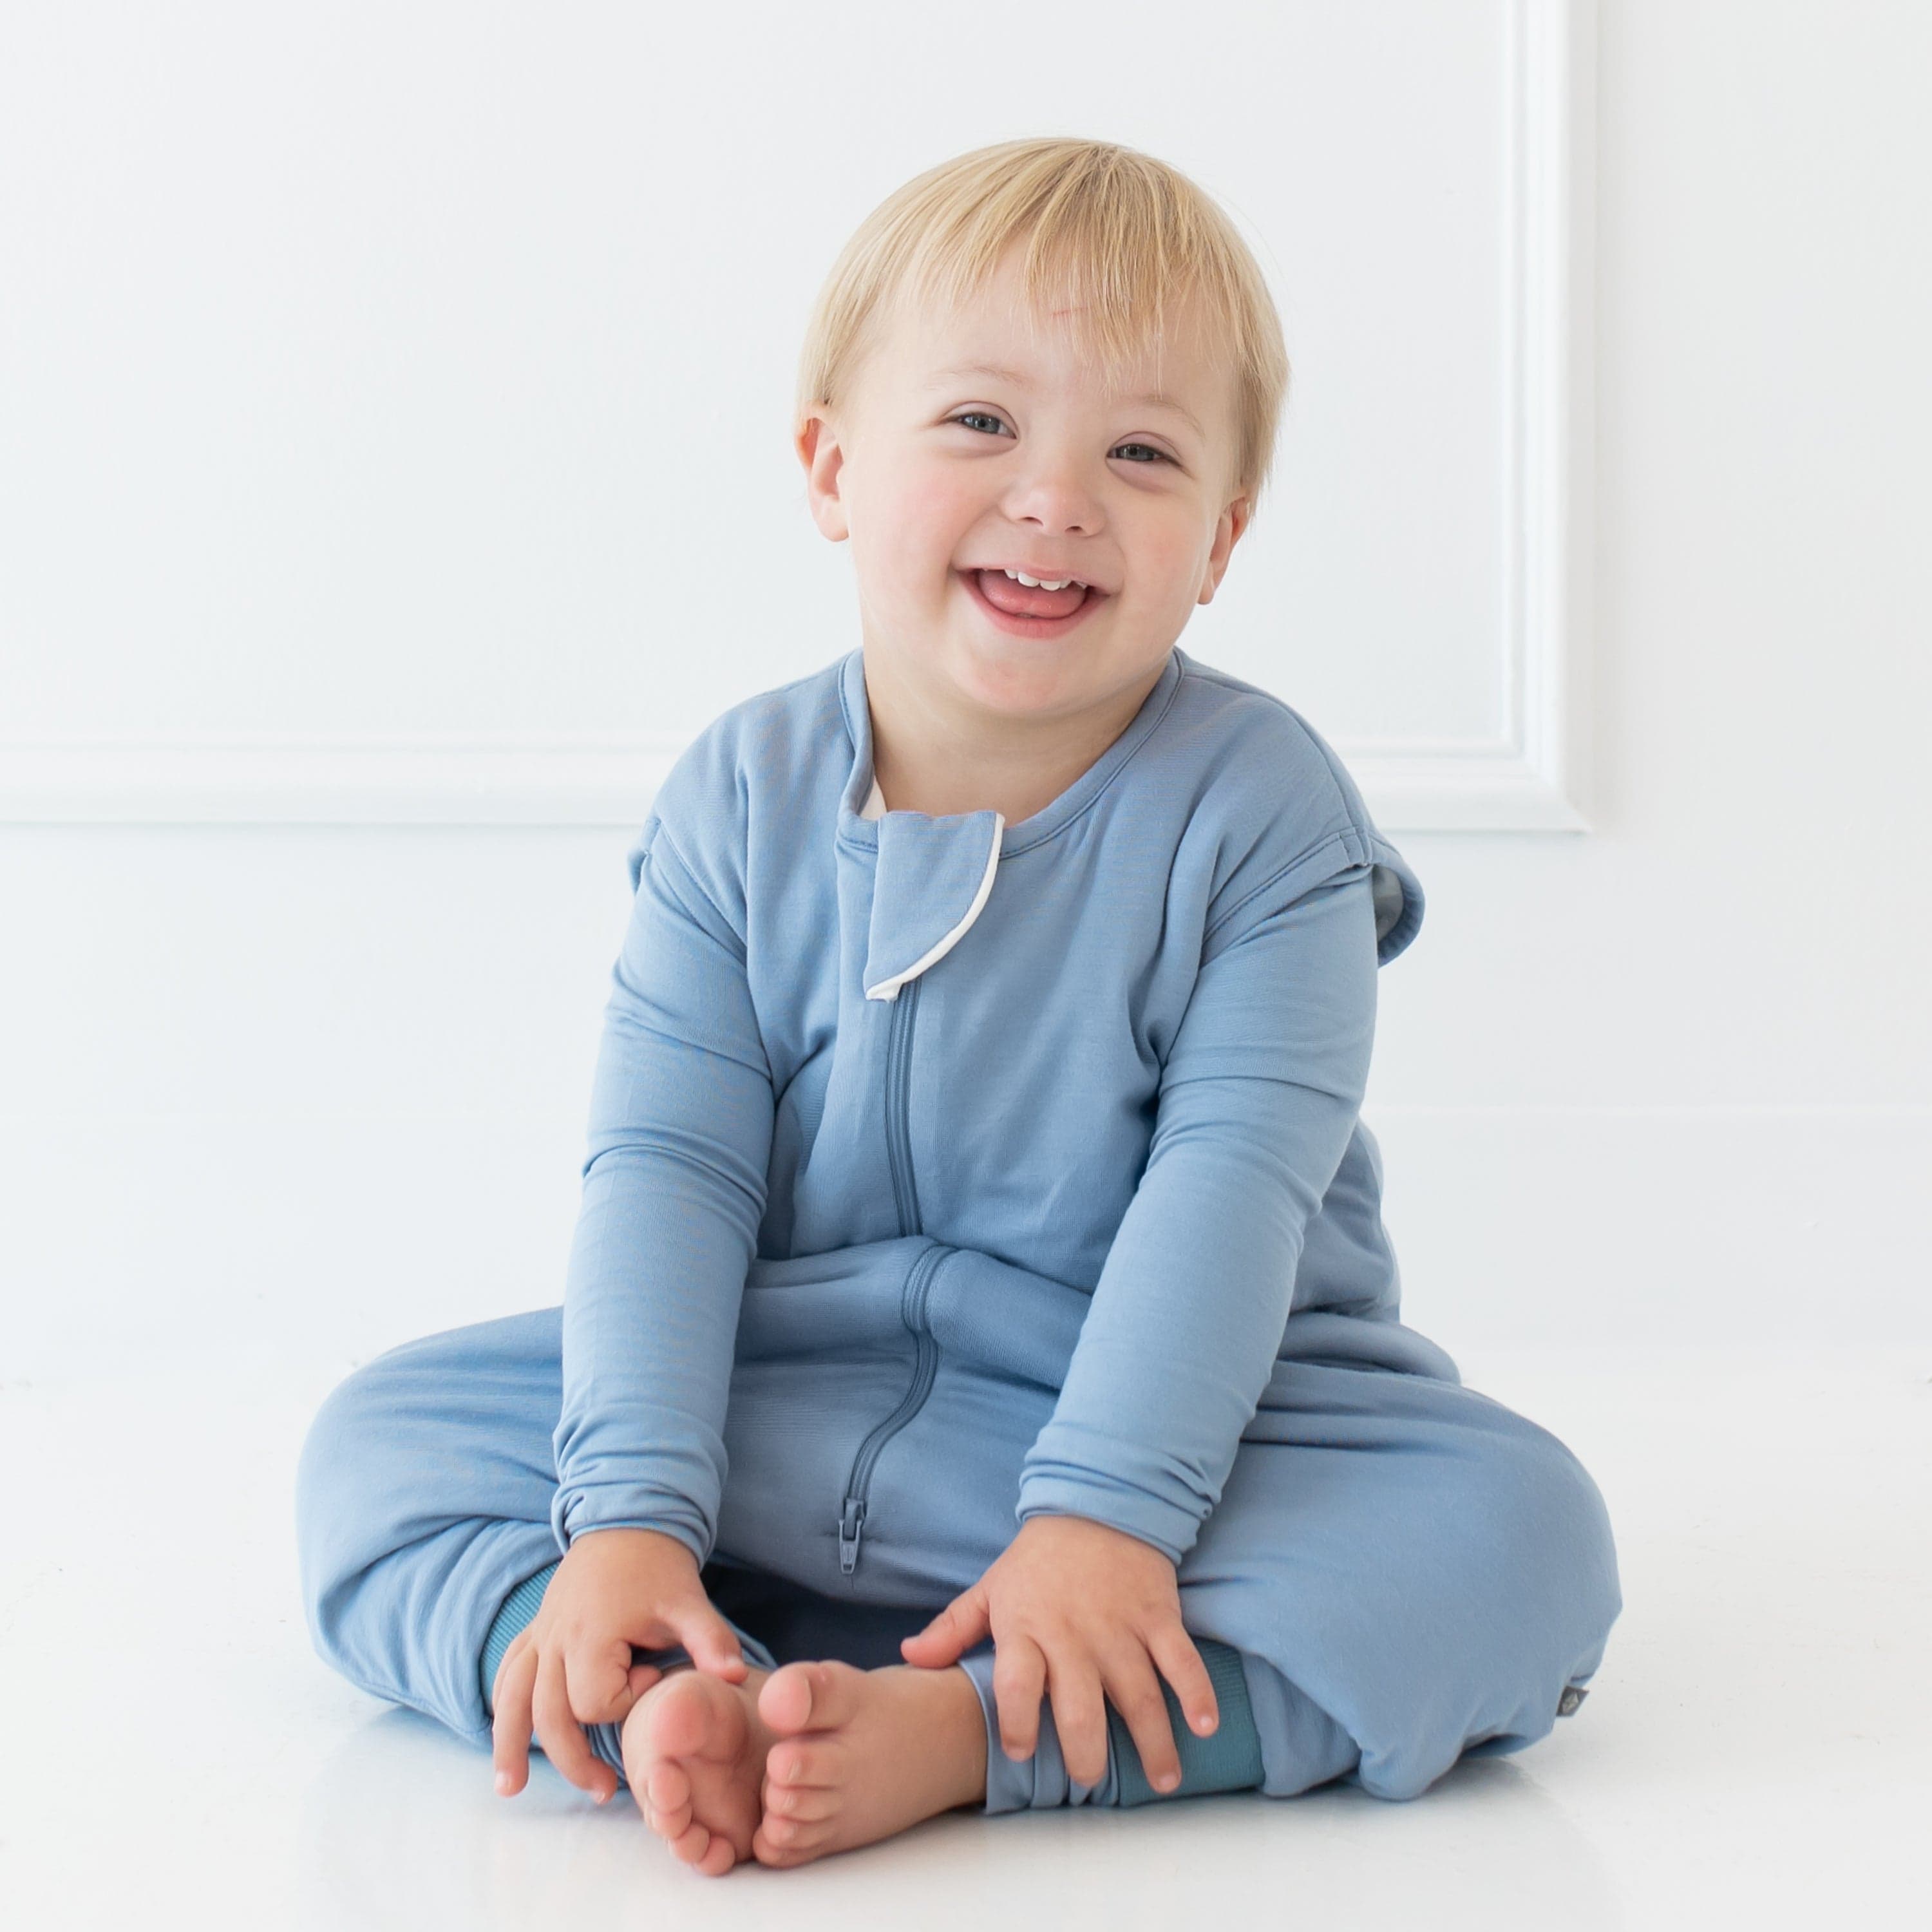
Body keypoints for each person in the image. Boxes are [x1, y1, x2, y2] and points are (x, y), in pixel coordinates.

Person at [295, 135, 1621, 1877]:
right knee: (375, 1448)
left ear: (1218, 542)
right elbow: (668, 1172)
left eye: (1139, 453)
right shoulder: (741, 795)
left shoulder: (1265, 814)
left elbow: (1233, 1183)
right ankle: (653, 1682)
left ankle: (979, 1732)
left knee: (1522, 1541)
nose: (1056, 496)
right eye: (982, 425)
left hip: (1192, 1417)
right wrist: (625, 1516)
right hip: (792, 1394)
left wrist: (1105, 1516)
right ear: (832, 465)